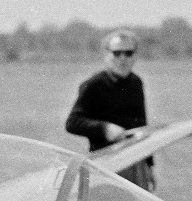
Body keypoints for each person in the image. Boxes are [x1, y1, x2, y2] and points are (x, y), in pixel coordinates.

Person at [65, 29, 155, 191]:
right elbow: (72, 123)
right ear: (106, 54)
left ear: (135, 56)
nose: (122, 59)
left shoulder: (136, 83)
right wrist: (105, 128)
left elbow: (142, 125)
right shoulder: (93, 85)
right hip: (105, 166)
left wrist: (149, 166)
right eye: (117, 53)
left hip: (136, 163)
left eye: (128, 53)